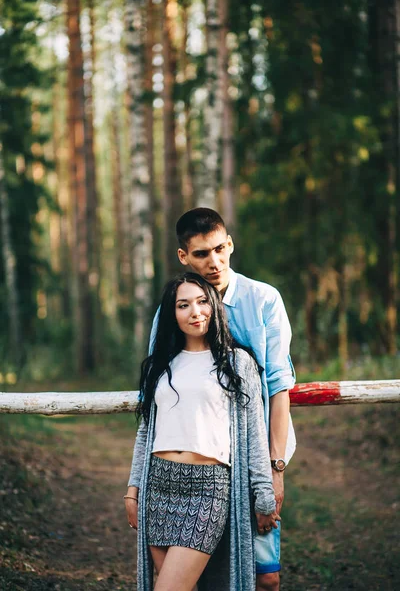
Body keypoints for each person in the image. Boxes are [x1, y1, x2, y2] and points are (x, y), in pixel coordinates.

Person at [125, 272, 280, 591]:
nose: (195, 311)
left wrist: (264, 493)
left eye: (202, 301)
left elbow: (253, 432)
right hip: (159, 486)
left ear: (214, 306)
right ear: (173, 314)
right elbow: (146, 434)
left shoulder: (238, 363)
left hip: (208, 490)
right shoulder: (160, 364)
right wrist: (133, 489)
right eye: (183, 305)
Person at [168, 208, 296, 591]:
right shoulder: (175, 306)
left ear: (230, 244)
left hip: (253, 456)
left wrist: (274, 470)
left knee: (267, 577)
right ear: (184, 257)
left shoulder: (263, 300)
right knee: (200, 574)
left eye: (220, 249)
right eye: (202, 254)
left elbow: (278, 385)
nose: (214, 262)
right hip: (196, 462)